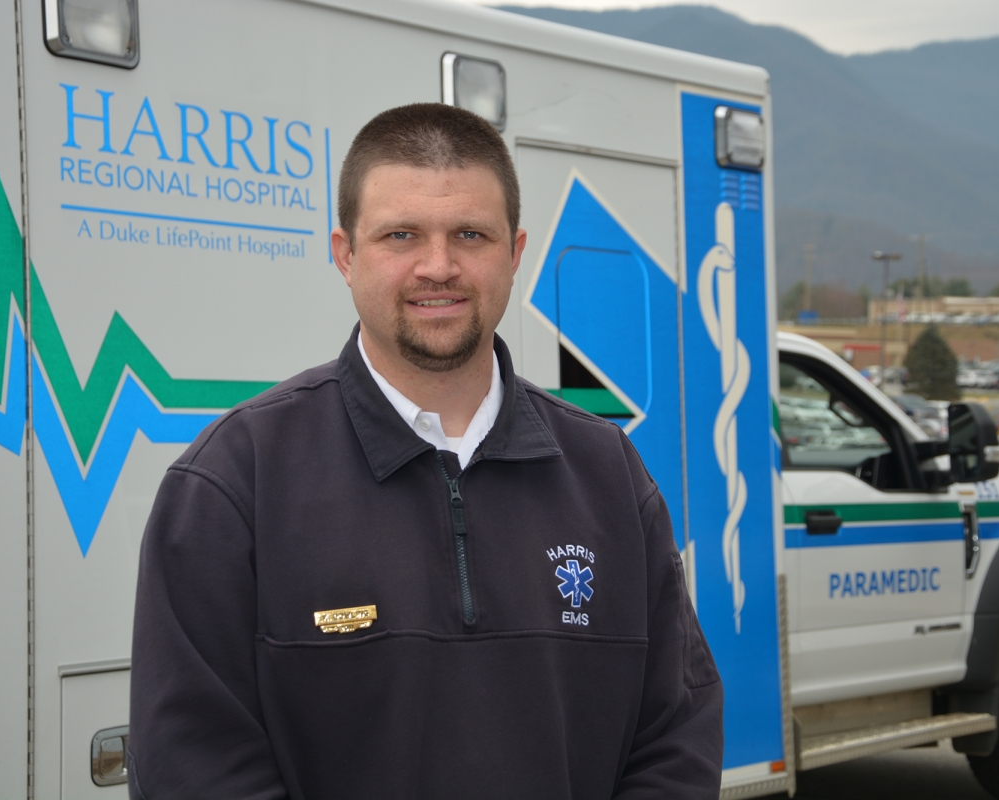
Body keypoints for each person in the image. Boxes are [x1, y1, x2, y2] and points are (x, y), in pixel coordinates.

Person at [128, 103, 723, 799]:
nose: (437, 267)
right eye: (400, 235)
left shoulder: (608, 473)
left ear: (515, 253)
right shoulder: (236, 480)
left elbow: (675, 739)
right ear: (345, 254)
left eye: (470, 234)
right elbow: (191, 766)